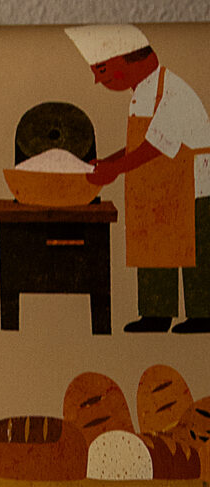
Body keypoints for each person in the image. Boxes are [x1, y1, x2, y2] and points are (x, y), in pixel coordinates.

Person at [68, 24, 210, 332]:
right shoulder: (142, 93)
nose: (100, 79)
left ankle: (203, 315)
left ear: (135, 61)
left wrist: (115, 170)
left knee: (196, 252)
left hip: (193, 186)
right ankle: (156, 314)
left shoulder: (172, 91)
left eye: (104, 70)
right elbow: (141, 143)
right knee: (154, 244)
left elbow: (158, 145)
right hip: (158, 185)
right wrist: (110, 161)